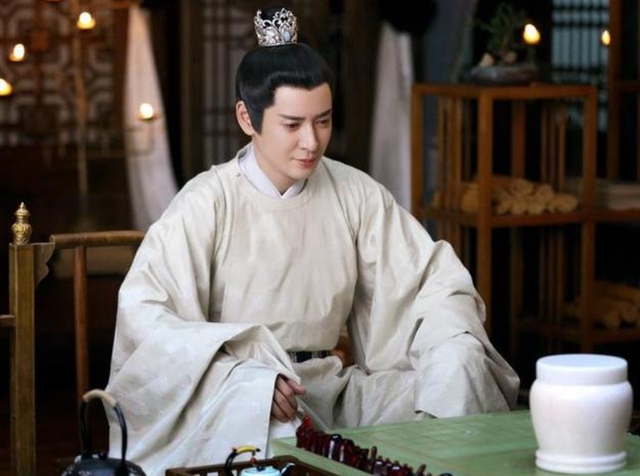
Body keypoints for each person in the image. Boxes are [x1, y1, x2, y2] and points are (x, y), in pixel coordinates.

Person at [106, 6, 519, 475]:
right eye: (292, 124)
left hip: (332, 392)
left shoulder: (354, 192)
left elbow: (428, 282)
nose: (311, 141)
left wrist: (451, 344)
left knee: (458, 368)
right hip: (244, 393)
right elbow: (148, 317)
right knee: (269, 431)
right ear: (247, 118)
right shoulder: (207, 202)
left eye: (322, 121)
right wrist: (240, 374)